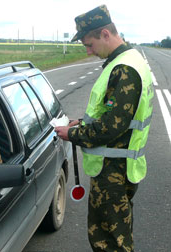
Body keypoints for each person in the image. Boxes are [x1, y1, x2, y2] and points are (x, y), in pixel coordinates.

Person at [54, 5, 154, 252]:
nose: (88, 51)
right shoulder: (126, 61)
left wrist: (73, 134)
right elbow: (112, 113)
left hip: (114, 173)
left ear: (105, 34)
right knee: (111, 234)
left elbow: (112, 127)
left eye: (89, 44)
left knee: (111, 241)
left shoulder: (125, 69)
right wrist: (83, 122)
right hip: (116, 169)